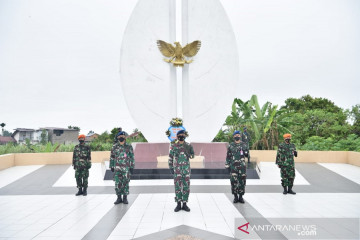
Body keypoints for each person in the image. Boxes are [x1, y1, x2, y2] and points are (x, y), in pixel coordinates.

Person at [168, 130, 194, 212]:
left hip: (186, 170)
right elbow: (170, 157)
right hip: (177, 170)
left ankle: (185, 204)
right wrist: (171, 168)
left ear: (185, 136)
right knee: (178, 187)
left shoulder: (188, 145)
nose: (181, 136)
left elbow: (192, 156)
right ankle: (178, 204)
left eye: (182, 135)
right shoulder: (174, 146)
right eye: (180, 135)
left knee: (186, 187)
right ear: (177, 136)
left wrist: (188, 153)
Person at [110, 131, 135, 204]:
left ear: (125, 137)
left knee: (125, 183)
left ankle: (125, 198)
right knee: (117, 183)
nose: (121, 138)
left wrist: (132, 166)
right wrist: (111, 166)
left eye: (123, 137)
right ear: (118, 137)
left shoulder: (128, 146)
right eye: (120, 136)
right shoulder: (114, 146)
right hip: (117, 168)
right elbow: (112, 157)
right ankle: (118, 198)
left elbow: (132, 157)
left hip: (126, 168)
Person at [225, 130, 247, 203]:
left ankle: (241, 197)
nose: (237, 136)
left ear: (240, 136)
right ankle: (235, 197)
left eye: (238, 135)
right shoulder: (231, 145)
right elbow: (228, 156)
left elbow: (247, 155)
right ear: (233, 136)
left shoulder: (244, 144)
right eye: (235, 135)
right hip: (233, 167)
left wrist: (246, 152)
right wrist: (227, 165)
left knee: (242, 182)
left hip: (242, 167)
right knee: (234, 182)